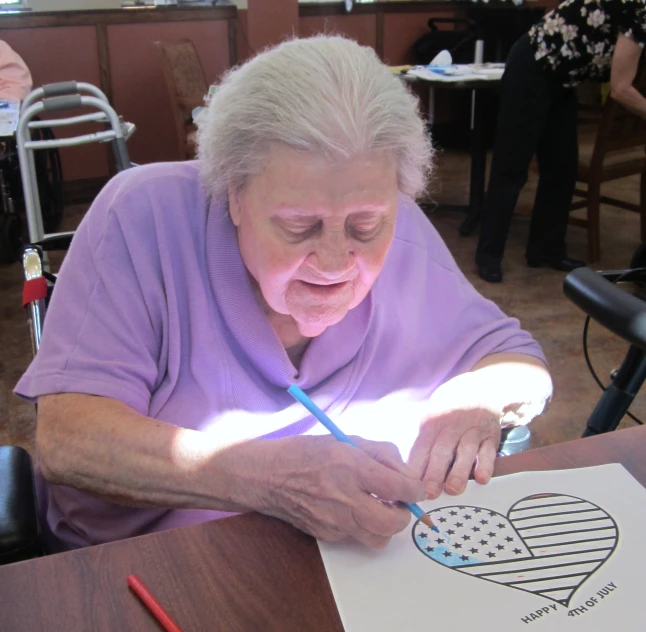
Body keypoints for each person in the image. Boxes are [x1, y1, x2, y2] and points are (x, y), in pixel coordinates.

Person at [15, 36, 553, 553]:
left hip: (346, 569)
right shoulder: (141, 218)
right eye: (299, 226)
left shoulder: (401, 227)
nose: (337, 261)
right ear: (233, 196)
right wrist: (271, 479)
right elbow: (68, 439)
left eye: (366, 226)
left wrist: (477, 396)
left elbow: (517, 359)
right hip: (152, 566)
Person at [476, 0, 646, 283]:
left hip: (563, 79)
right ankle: (488, 255)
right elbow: (620, 88)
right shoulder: (640, 9)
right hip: (532, 65)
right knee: (512, 167)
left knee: (562, 168)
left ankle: (546, 250)